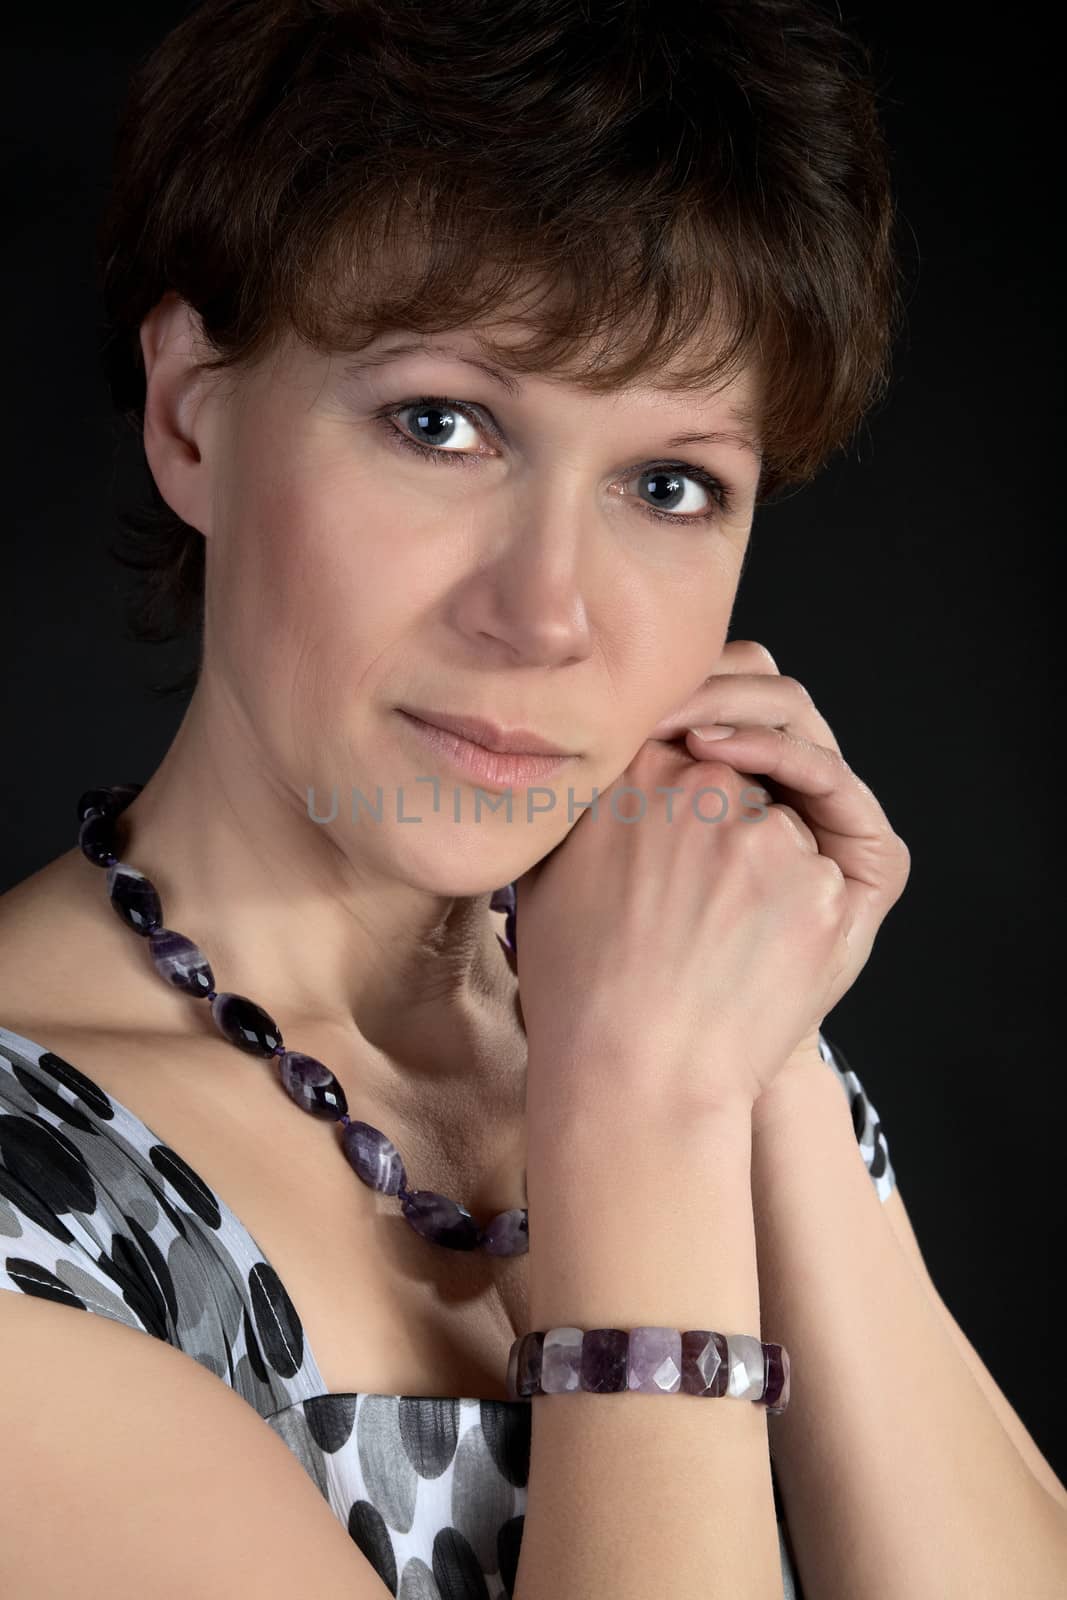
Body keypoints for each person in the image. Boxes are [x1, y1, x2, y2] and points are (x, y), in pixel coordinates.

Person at [1, 2, 1064, 1597]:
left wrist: (751, 1058)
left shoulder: (694, 1025)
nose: (549, 611)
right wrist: (638, 1123)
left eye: (669, 484)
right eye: (441, 423)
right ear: (190, 415)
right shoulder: (30, 1218)